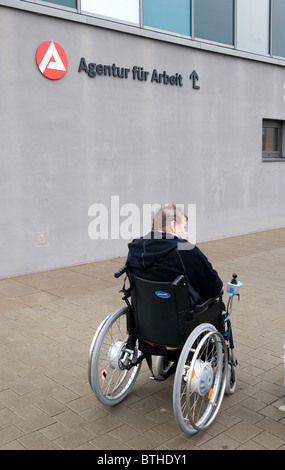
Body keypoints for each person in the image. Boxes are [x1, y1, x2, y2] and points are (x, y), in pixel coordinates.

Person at [126, 204, 223, 308]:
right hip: (182, 318)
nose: (185, 232)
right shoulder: (185, 250)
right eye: (184, 227)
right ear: (174, 225)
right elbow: (213, 288)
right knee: (218, 306)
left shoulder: (135, 247)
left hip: (144, 314)